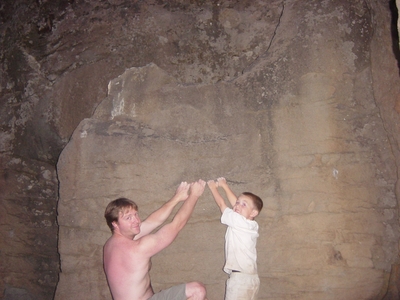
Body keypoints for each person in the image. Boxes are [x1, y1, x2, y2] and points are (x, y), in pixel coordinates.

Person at [103, 180, 208, 300]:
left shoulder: (111, 244)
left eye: (136, 214)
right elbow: (176, 225)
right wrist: (194, 195)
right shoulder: (138, 248)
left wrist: (177, 198)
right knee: (197, 291)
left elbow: (152, 222)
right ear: (115, 224)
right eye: (128, 218)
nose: (136, 220)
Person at [207, 177, 263, 300]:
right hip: (251, 279)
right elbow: (237, 208)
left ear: (253, 213)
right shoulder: (252, 224)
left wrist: (213, 188)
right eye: (238, 202)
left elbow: (222, 205)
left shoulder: (238, 221)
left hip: (240, 280)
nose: (238, 205)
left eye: (244, 204)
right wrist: (224, 185)